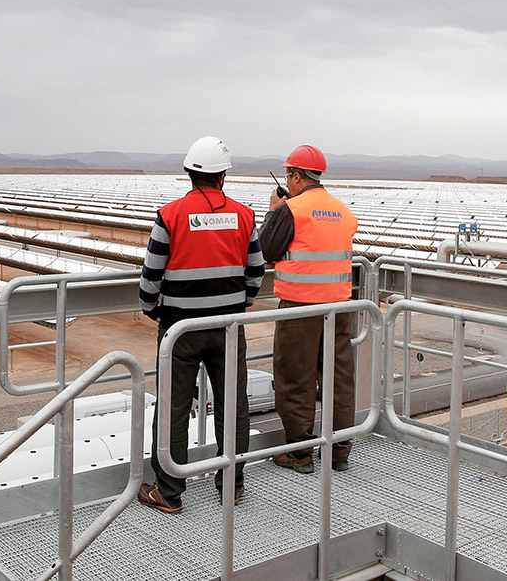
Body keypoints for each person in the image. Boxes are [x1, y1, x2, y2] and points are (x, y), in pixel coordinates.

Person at [136, 136, 264, 512]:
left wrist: (153, 310)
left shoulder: (170, 215)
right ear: (222, 176)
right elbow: (255, 271)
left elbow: (150, 278)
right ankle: (232, 486)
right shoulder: (244, 215)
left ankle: (169, 492)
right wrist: (240, 305)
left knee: (174, 407)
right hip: (227, 326)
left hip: (180, 330)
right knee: (232, 406)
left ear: (189, 173)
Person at [259, 144, 358, 473]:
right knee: (338, 378)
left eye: (290, 175)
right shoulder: (343, 211)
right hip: (340, 307)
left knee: (294, 378)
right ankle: (339, 450)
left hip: (299, 309)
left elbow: (266, 250)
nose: (288, 181)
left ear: (297, 176)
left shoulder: (293, 210)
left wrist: (274, 211)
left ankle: (300, 453)